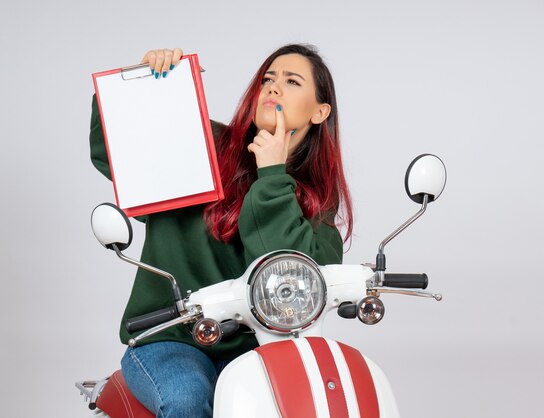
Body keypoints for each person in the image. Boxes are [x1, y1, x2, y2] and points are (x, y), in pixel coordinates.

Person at [89, 44, 353, 418]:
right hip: (170, 340)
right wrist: (146, 83)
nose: (274, 88)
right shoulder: (204, 146)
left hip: (257, 347)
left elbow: (287, 274)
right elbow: (112, 149)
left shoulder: (315, 202)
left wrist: (272, 175)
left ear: (319, 111)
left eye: (292, 81)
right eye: (268, 79)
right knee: (187, 399)